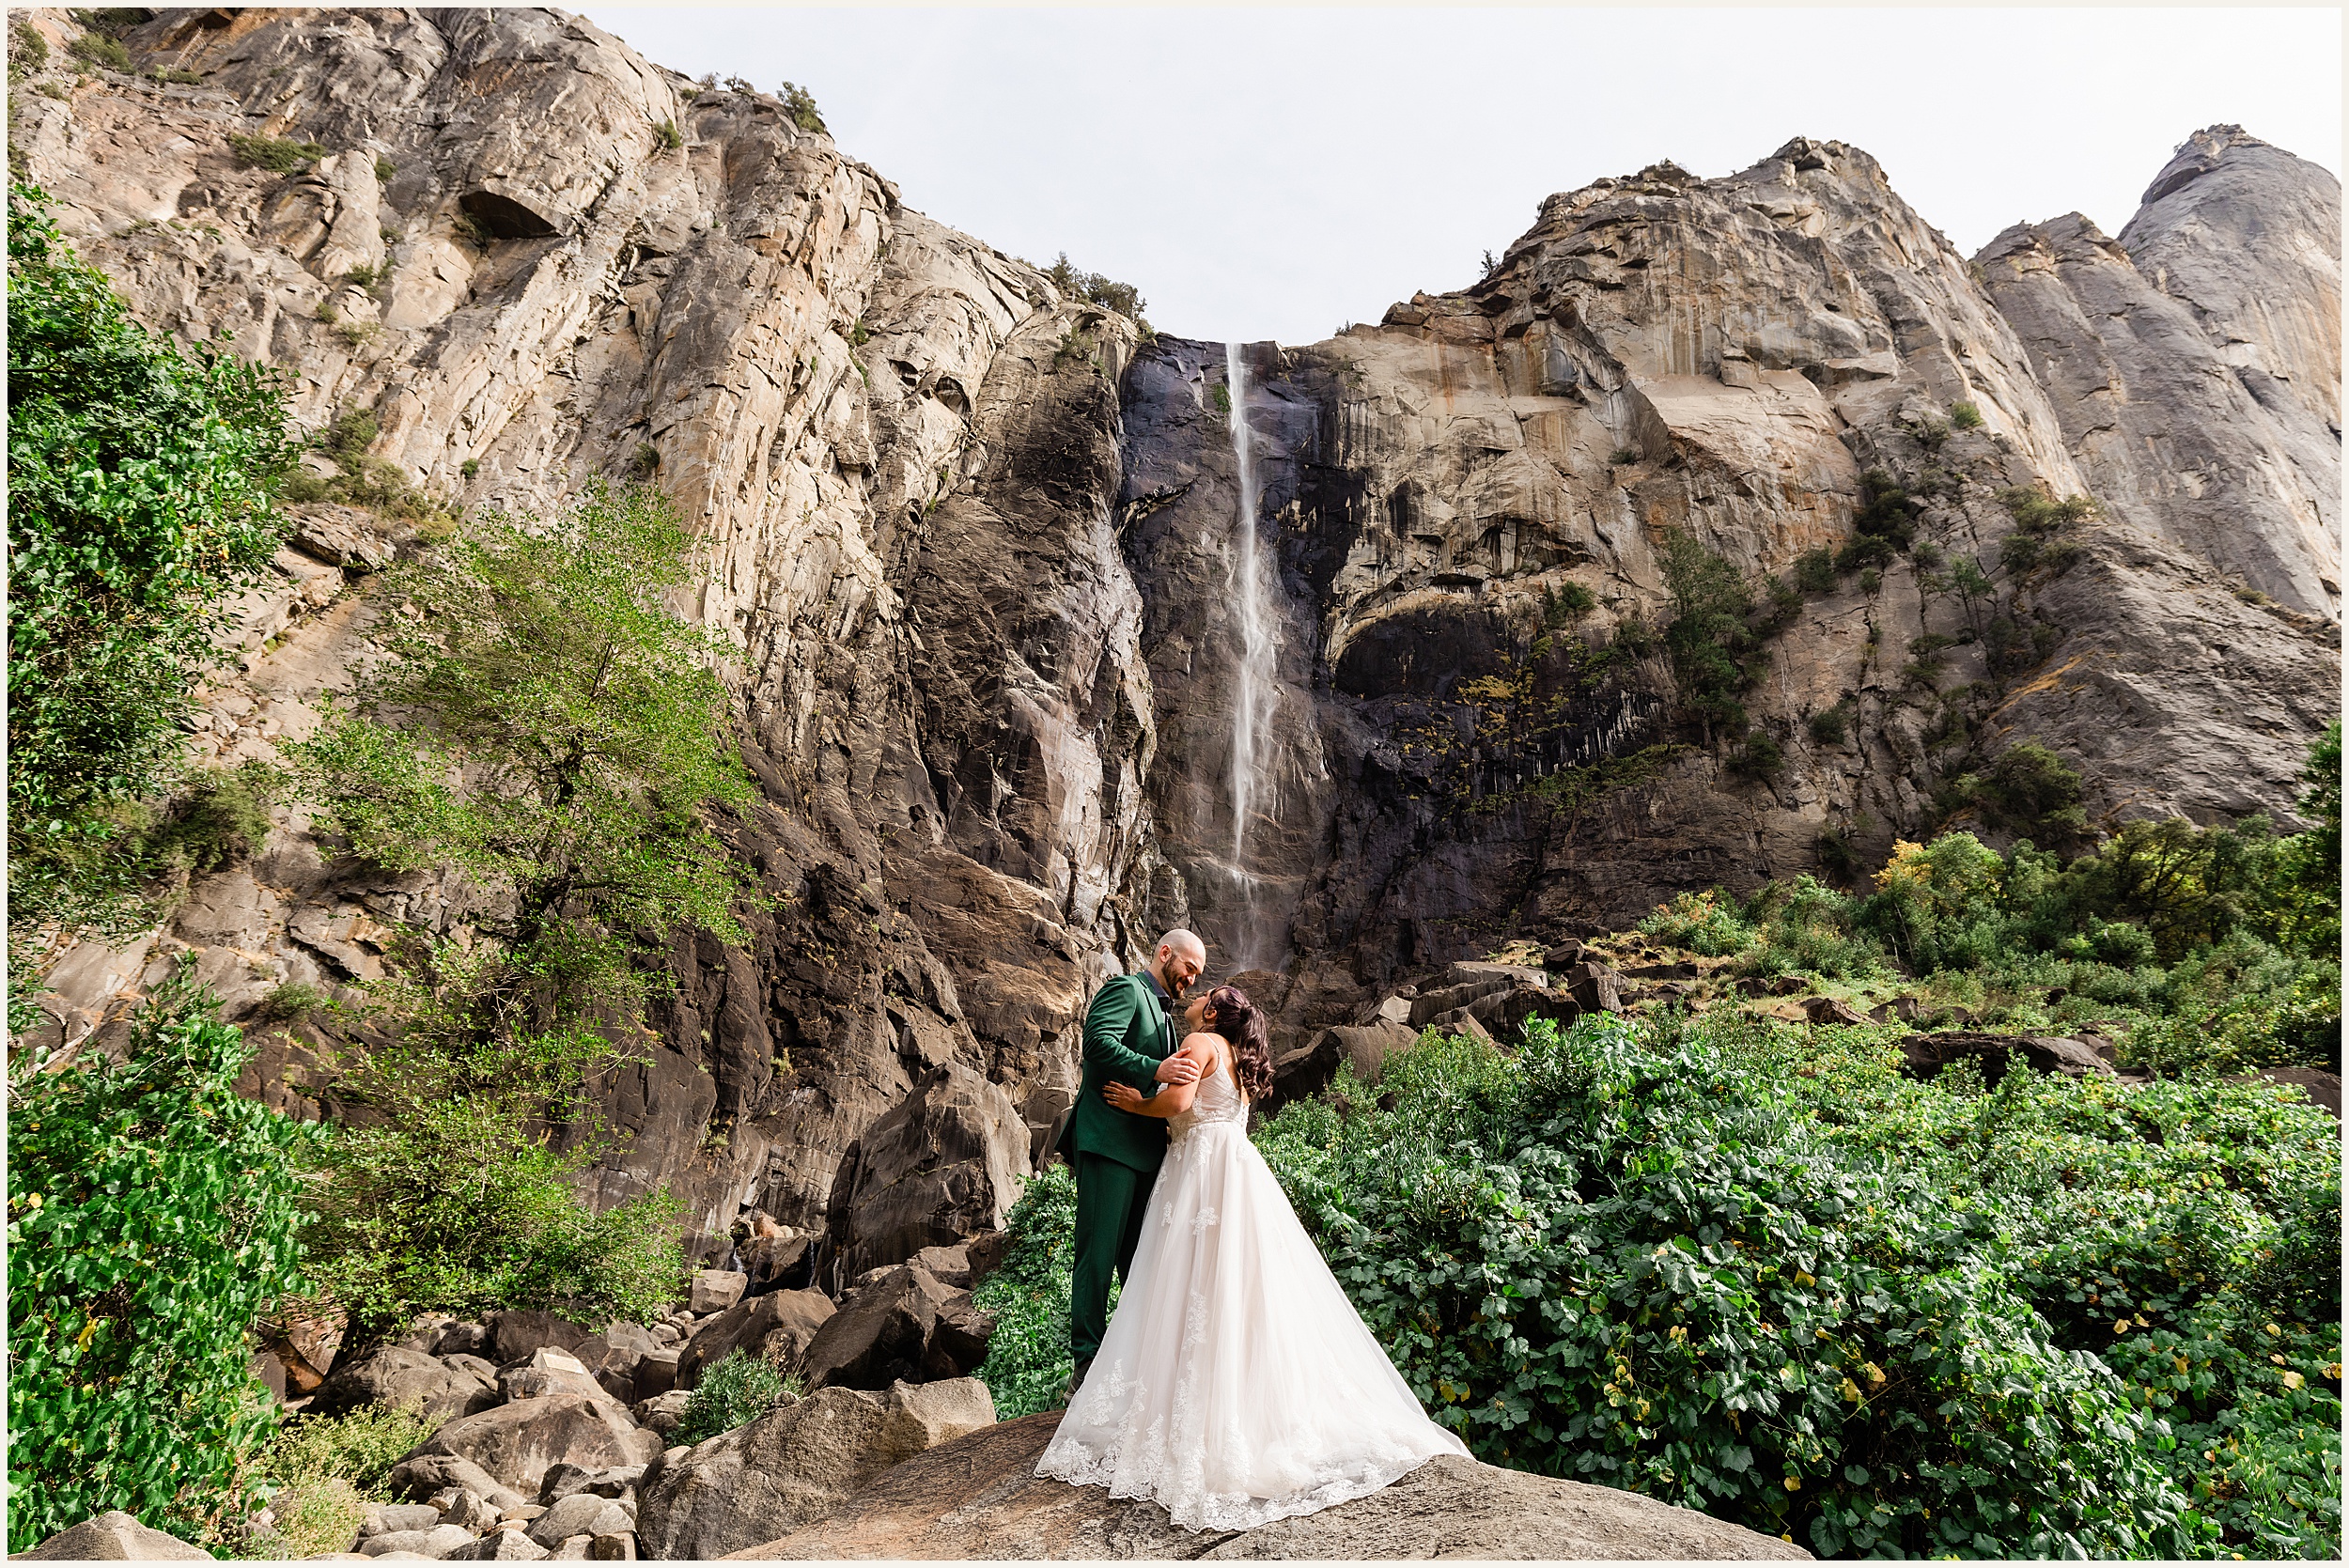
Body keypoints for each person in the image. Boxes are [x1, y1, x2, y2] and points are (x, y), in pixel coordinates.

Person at [1036, 985, 1470, 1530]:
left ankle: (1186, 1415)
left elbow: (1177, 1103)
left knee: (1192, 1284)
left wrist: (1136, 1102)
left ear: (1214, 1012)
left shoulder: (1200, 1040)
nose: (1192, 996)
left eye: (1203, 994)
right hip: (1235, 1169)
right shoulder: (1241, 1059)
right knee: (1234, 1290)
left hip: (1200, 1171)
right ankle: (1238, 1416)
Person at [1056, 928, 1207, 1391]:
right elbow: (1096, 1044)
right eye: (1189, 968)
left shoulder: (1167, 1016)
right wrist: (1153, 1069)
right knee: (1098, 1257)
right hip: (1109, 1144)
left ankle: (1130, 1366)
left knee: (1138, 1264)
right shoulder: (1128, 989)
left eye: (1199, 975)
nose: (1192, 980)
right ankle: (1087, 1365)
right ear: (1165, 953)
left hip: (1146, 1154)